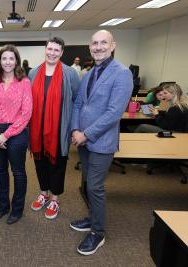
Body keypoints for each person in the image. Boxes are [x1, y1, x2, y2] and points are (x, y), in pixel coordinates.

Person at [70, 30, 133, 255]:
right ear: (89, 47)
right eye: (94, 43)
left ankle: (98, 233)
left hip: (101, 142)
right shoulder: (88, 73)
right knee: (88, 183)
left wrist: (85, 134)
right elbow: (78, 104)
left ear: (112, 45)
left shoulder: (122, 73)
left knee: (95, 187)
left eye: (103, 43)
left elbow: (114, 113)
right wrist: (76, 129)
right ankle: (91, 218)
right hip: (84, 140)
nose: (98, 47)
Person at [29, 37, 80, 220]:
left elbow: (77, 101)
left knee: (57, 165)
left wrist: (74, 128)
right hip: (36, 130)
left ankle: (55, 199)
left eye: (56, 50)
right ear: (45, 49)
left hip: (59, 130)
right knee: (39, 162)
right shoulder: (34, 72)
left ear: (62, 52)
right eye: (50, 49)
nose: (52, 53)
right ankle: (44, 193)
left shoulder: (70, 73)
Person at [0, 45, 32, 225]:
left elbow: (26, 113)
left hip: (17, 133)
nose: (8, 62)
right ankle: (2, 206)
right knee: (0, 171)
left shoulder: (24, 82)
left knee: (18, 172)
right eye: (4, 58)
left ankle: (17, 209)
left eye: (11, 58)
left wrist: (6, 135)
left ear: (16, 61)